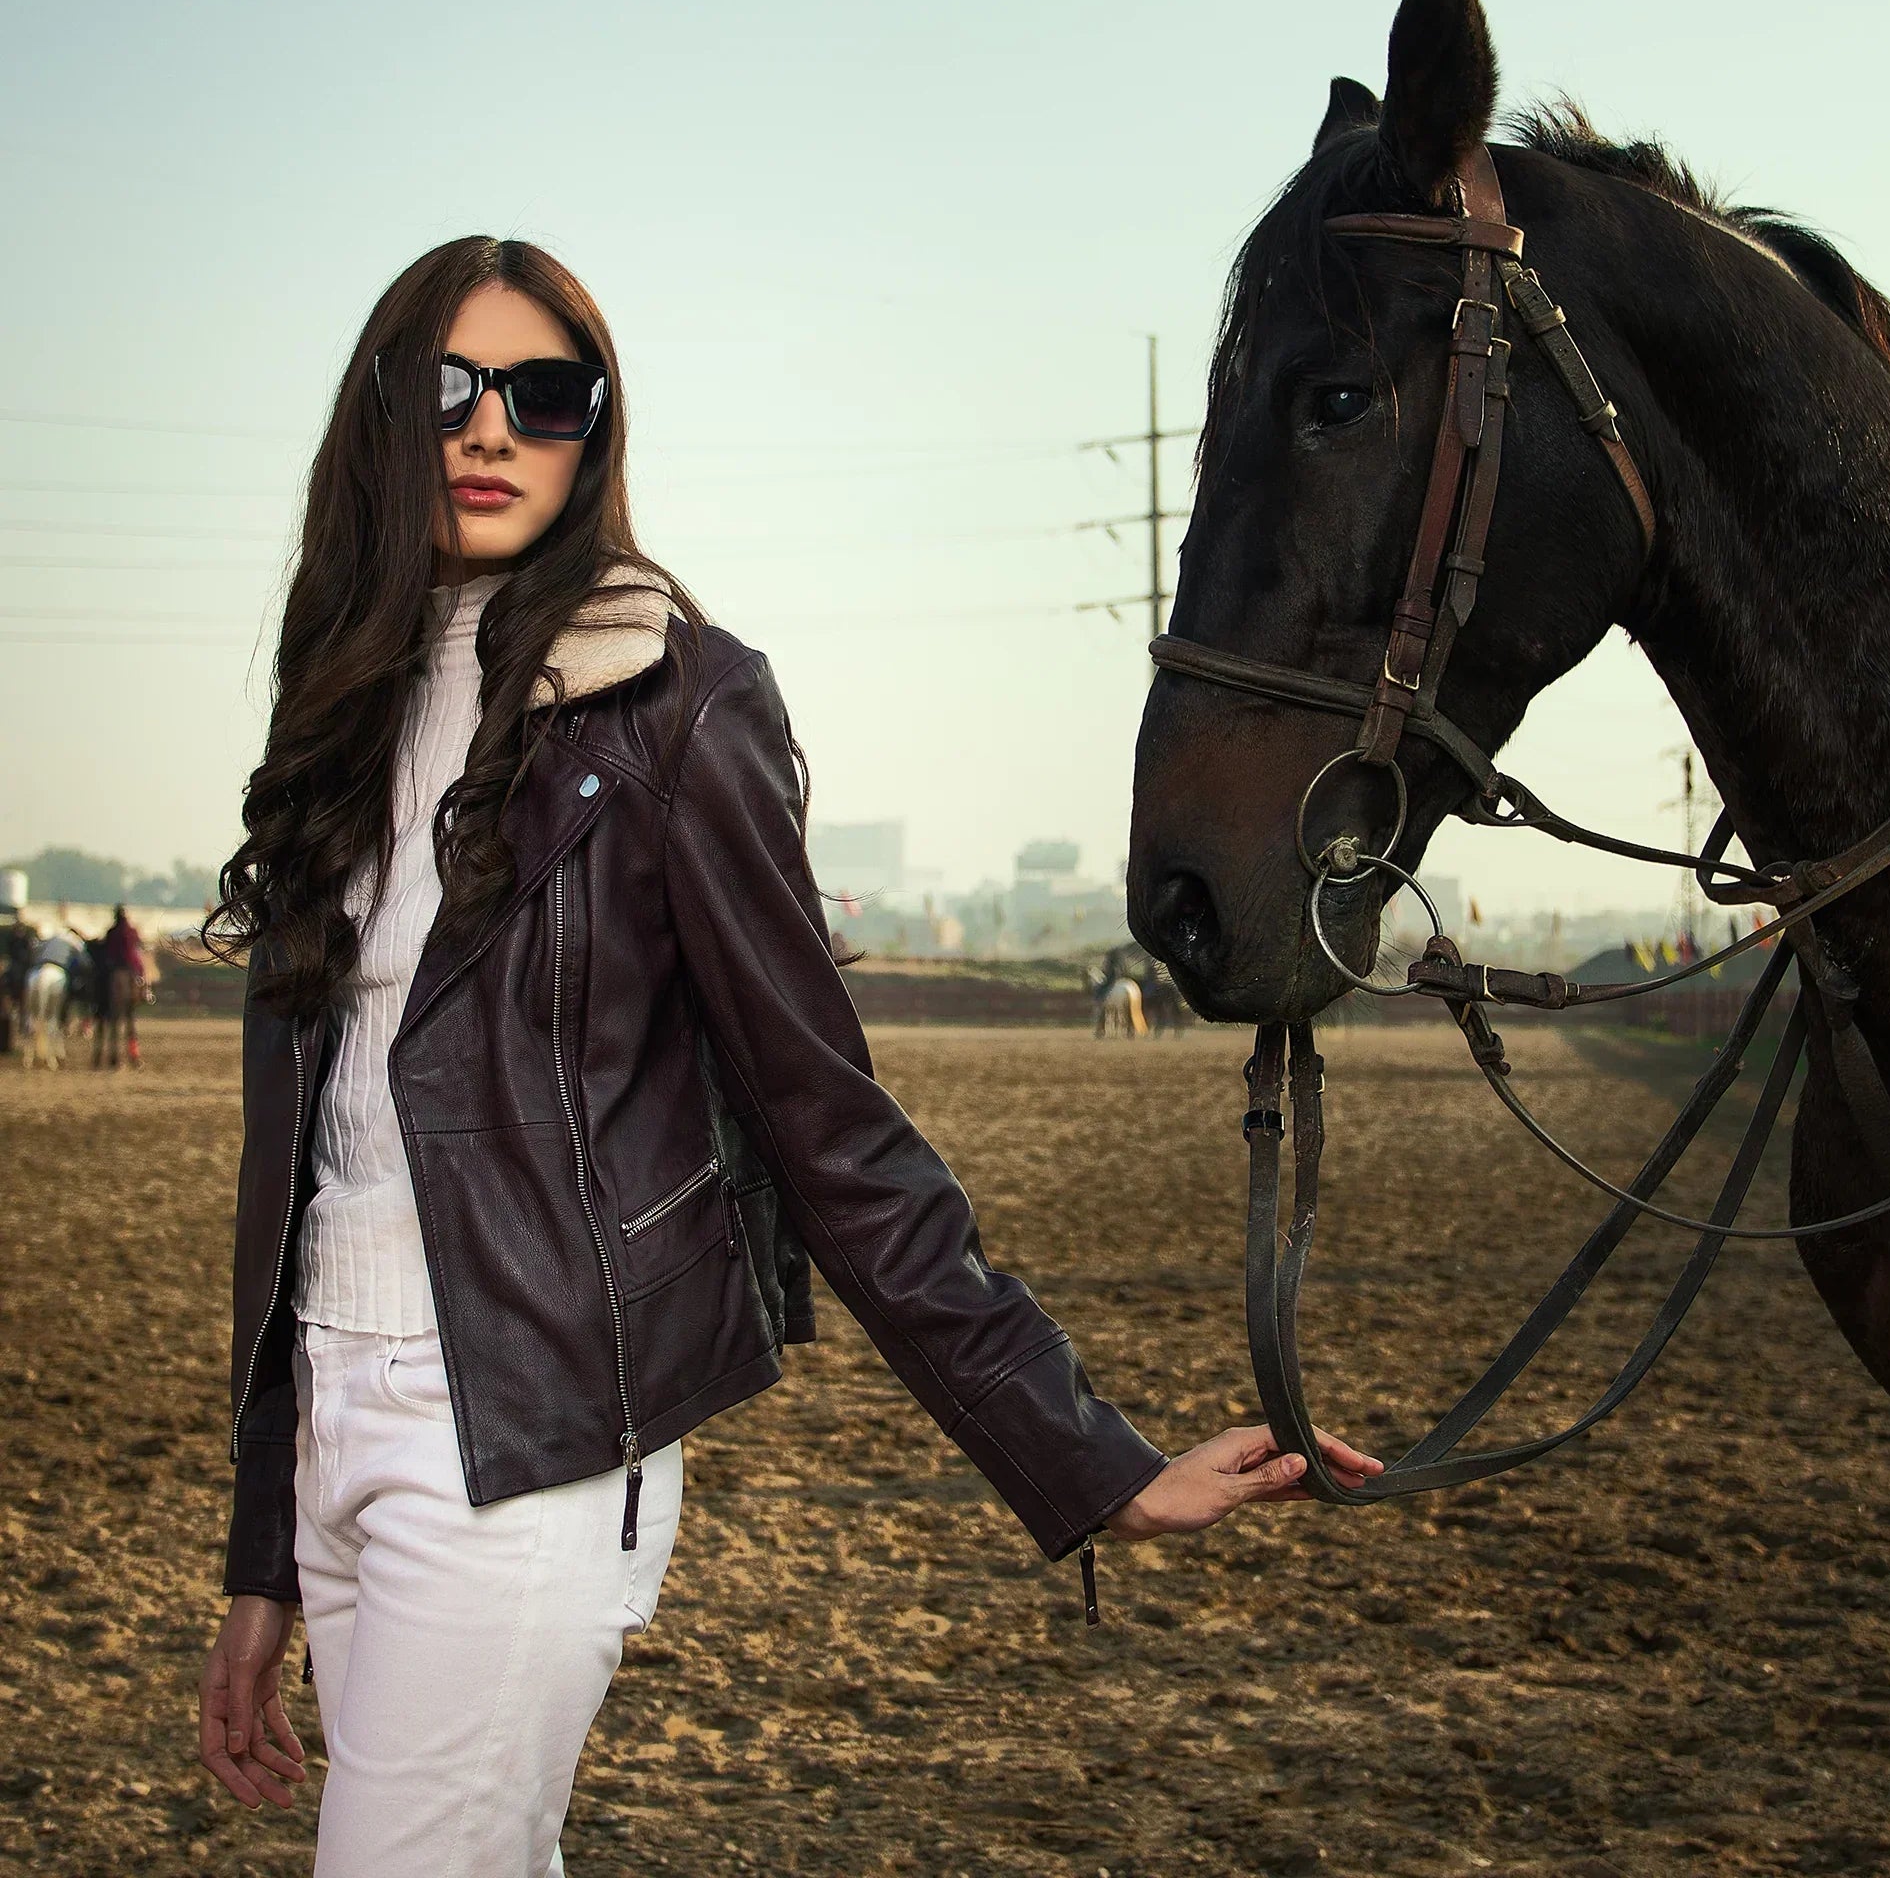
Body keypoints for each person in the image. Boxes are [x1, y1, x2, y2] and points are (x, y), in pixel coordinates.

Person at [193, 237, 1383, 1876]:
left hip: (531, 1442)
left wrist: (1088, 1459)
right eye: (443, 388)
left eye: (540, 396)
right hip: (336, 1410)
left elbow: (831, 1124)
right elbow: (296, 1167)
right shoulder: (331, 715)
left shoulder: (675, 705)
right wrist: (264, 1550)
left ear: (593, 432)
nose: (486, 430)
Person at [95, 903, 149, 1068]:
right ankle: (146, 994)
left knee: (109, 1019)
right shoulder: (131, 931)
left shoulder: (111, 932)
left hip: (112, 971)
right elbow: (137, 948)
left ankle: (111, 1056)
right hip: (130, 970)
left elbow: (106, 951)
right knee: (130, 1020)